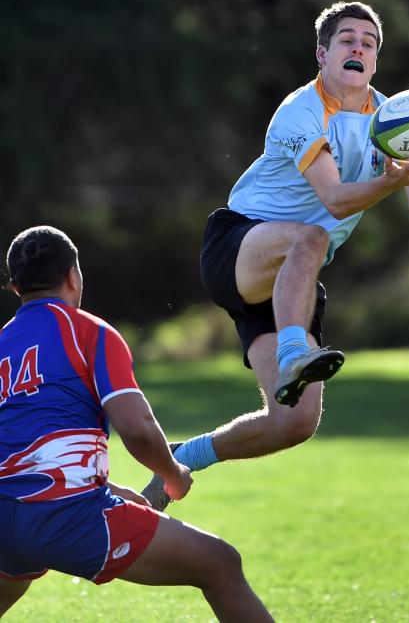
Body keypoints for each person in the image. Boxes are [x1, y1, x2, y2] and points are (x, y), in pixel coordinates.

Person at [143, 0, 409, 509]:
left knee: (293, 423)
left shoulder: (390, 119)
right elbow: (335, 200)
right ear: (322, 53)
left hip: (293, 276)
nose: (358, 46)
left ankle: (187, 455)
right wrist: (390, 180)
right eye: (347, 39)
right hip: (239, 245)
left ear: (376, 61)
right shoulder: (302, 110)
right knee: (311, 237)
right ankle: (297, 352)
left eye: (368, 41)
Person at [0, 226, 274, 622]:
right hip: (68, 517)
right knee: (220, 564)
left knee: (13, 577)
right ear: (74, 277)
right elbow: (139, 429)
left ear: (15, 288)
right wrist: (173, 475)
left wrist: (110, 487)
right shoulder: (89, 333)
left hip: (5, 522)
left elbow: (21, 449)